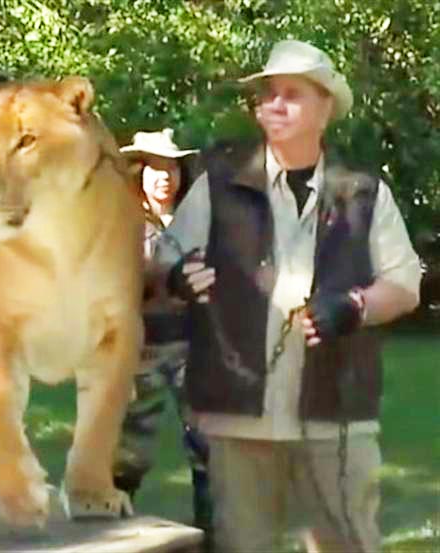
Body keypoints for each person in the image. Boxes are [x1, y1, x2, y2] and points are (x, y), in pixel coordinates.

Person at [156, 40, 422, 552]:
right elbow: (163, 257)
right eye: (266, 95)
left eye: (290, 95)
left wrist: (355, 306)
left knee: (348, 545)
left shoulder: (364, 192)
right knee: (241, 546)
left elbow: (404, 284)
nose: (272, 105)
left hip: (336, 416)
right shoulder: (218, 185)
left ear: (325, 109)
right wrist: (177, 277)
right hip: (237, 413)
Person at [113, 129, 213, 533]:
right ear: (138, 173)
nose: (163, 177)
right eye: (153, 168)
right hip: (144, 350)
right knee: (128, 454)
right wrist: (166, 274)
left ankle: (213, 539)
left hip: (197, 349)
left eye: (170, 167)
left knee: (208, 449)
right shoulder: (124, 222)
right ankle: (106, 532)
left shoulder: (200, 219)